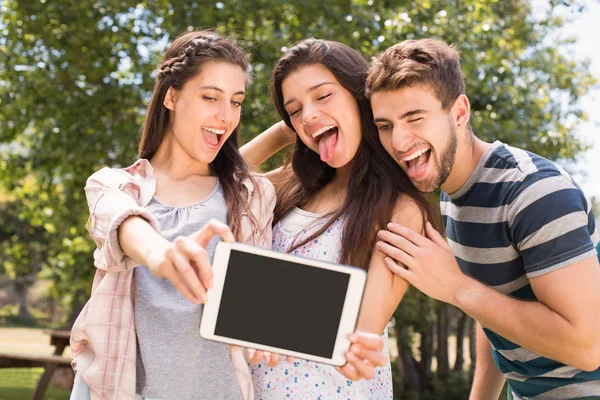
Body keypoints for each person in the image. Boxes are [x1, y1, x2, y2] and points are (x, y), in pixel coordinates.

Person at [366, 38, 600, 399]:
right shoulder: (453, 194)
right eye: (385, 125)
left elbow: (586, 347)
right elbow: (494, 306)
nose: (399, 140)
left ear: (459, 112)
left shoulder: (533, 192)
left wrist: (457, 287)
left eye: (414, 117)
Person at [69, 30, 277, 400]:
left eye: (236, 101)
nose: (226, 115)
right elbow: (124, 224)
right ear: (172, 96)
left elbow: (257, 309)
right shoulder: (115, 186)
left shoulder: (251, 195)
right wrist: (162, 255)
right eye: (210, 97)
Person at [240, 38, 440, 399]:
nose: (309, 115)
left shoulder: (400, 208)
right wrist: (287, 131)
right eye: (295, 109)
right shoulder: (289, 185)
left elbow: (363, 332)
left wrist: (259, 315)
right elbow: (215, 183)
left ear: (358, 98)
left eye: (323, 95)